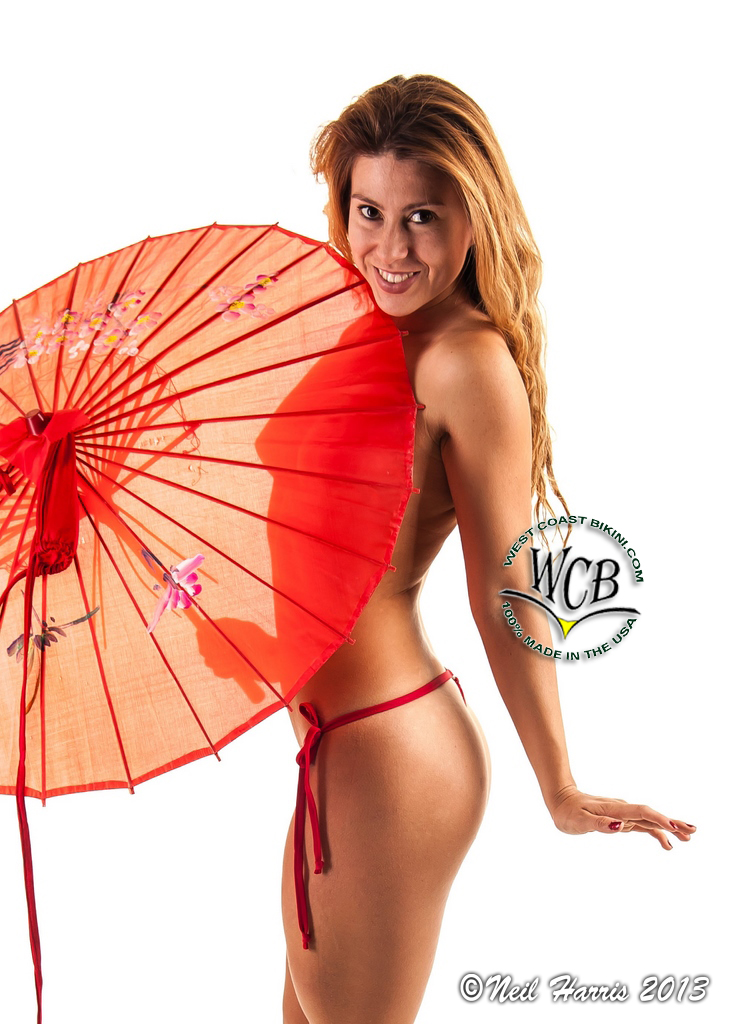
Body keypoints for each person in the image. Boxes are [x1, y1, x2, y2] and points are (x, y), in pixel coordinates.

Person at [280, 74, 695, 1024]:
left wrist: (560, 783)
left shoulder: (463, 362)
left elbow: (505, 587)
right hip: (334, 759)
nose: (391, 249)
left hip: (388, 756)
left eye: (422, 218)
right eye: (369, 212)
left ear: (474, 216)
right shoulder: (356, 331)